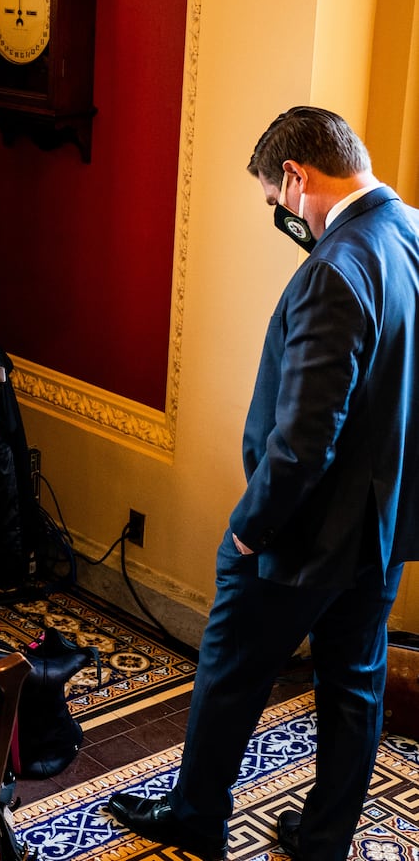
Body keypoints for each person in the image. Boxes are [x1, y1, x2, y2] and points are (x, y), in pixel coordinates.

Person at [108, 107, 419, 861]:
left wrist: (251, 526)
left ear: (295, 177)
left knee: (230, 671)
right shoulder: (412, 231)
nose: (280, 219)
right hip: (384, 526)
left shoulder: (336, 270)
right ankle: (322, 842)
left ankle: (197, 816)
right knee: (353, 689)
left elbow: (304, 440)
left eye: (274, 202)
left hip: (303, 535)